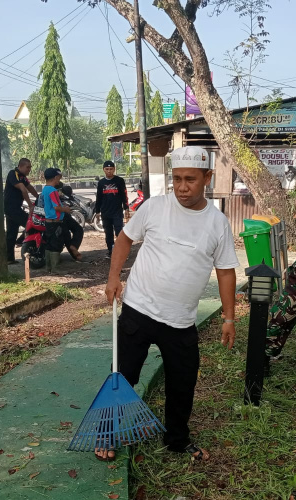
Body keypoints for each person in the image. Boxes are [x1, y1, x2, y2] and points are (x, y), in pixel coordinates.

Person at [100, 146, 239, 462]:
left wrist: (229, 318)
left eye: (190, 179)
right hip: (138, 308)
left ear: (207, 177)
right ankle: (107, 432)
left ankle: (177, 439)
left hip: (180, 321)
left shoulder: (217, 223)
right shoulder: (154, 208)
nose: (182, 187)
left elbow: (226, 272)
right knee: (122, 375)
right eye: (176, 179)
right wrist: (113, 278)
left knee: (183, 382)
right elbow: (124, 239)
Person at [40, 168, 82, 265]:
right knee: (56, 245)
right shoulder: (53, 191)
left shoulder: (45, 189)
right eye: (58, 178)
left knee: (50, 244)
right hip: (55, 220)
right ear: (55, 177)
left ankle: (48, 267)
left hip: (48, 220)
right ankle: (55, 268)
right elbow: (56, 207)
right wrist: (65, 209)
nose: (59, 180)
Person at [4, 158, 38, 264]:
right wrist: (30, 205)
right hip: (11, 208)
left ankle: (9, 259)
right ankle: (20, 241)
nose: (29, 169)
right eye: (28, 167)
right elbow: (23, 189)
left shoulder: (23, 177)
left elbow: (30, 188)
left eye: (30, 167)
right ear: (20, 166)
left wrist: (39, 198)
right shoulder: (13, 174)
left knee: (11, 233)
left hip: (14, 208)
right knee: (32, 224)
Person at [94, 160, 129, 259]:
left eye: (111, 169)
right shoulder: (101, 183)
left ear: (114, 169)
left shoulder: (119, 181)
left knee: (119, 232)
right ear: (103, 170)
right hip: (105, 213)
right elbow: (99, 198)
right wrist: (97, 211)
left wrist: (126, 208)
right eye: (107, 169)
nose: (109, 171)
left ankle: (121, 252)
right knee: (108, 233)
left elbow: (124, 195)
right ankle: (111, 251)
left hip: (117, 212)